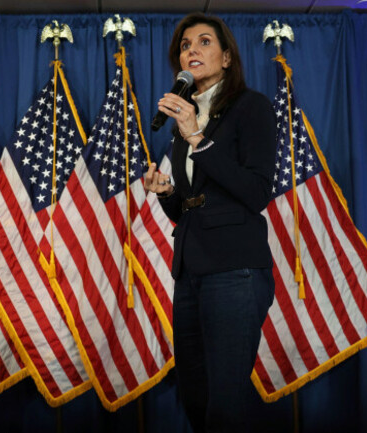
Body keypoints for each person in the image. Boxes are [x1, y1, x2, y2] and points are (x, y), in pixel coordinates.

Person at [144, 13, 277, 433]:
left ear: (226, 58)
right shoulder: (187, 118)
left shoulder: (250, 107)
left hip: (235, 269)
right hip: (190, 272)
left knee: (224, 403)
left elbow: (255, 192)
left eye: (204, 42)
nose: (192, 50)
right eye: (185, 45)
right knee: (196, 399)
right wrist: (166, 192)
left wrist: (197, 137)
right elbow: (194, 205)